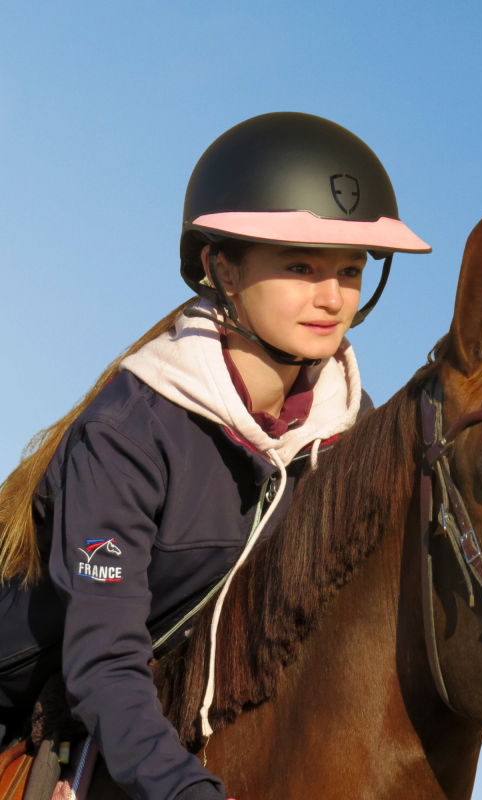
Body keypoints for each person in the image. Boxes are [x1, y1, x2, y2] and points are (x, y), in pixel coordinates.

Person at [0, 112, 430, 800]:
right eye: (300, 267)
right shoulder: (128, 431)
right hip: (29, 707)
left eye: (349, 271)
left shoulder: (352, 435)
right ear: (220, 267)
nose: (332, 299)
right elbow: (104, 660)